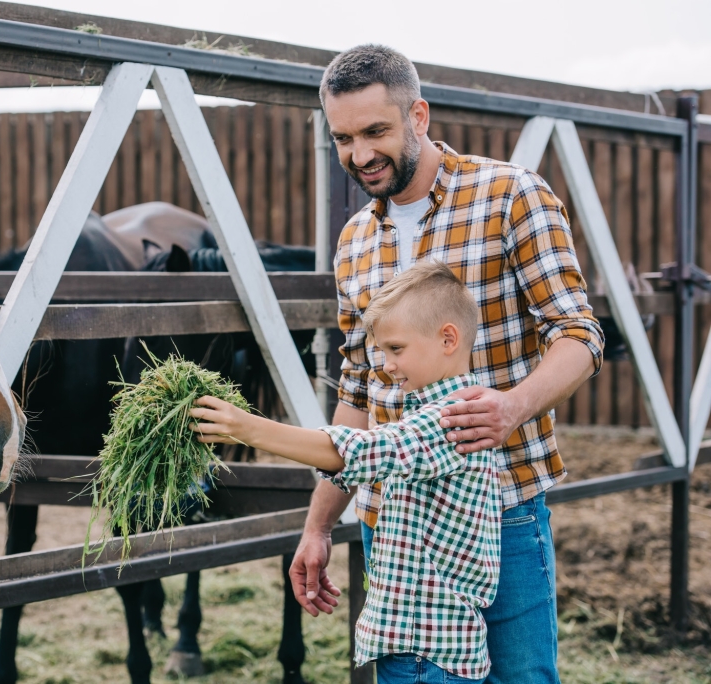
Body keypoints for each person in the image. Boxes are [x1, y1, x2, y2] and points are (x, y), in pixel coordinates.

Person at [286, 44, 605, 683]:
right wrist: (318, 525)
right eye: (344, 139)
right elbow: (357, 392)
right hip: (396, 526)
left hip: (503, 510)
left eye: (376, 131)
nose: (361, 155)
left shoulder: (510, 195)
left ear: (419, 116)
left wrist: (511, 407)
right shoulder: (355, 242)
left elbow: (578, 335)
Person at [191, 261, 501, 683]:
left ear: (448, 338)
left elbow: (364, 450)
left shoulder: (454, 421)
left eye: (396, 349)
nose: (387, 365)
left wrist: (249, 428)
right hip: (416, 648)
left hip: (428, 658)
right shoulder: (434, 414)